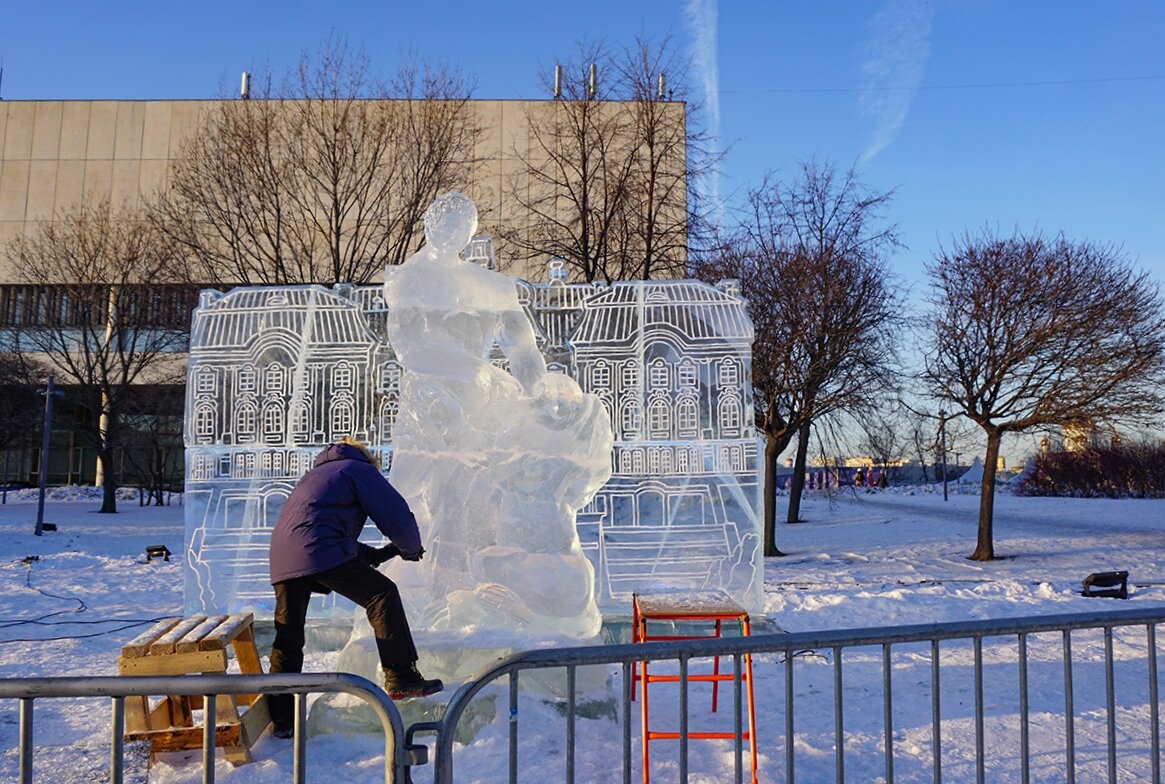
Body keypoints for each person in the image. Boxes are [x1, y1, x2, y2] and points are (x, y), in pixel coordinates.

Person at [267, 437, 442, 738]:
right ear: (368, 458)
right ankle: (401, 675)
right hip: (317, 551)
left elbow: (318, 530)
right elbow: (395, 514)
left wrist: (381, 554)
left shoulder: (317, 475)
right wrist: (411, 548)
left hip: (283, 557)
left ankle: (282, 718)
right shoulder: (357, 469)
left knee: (289, 635)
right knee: (381, 595)